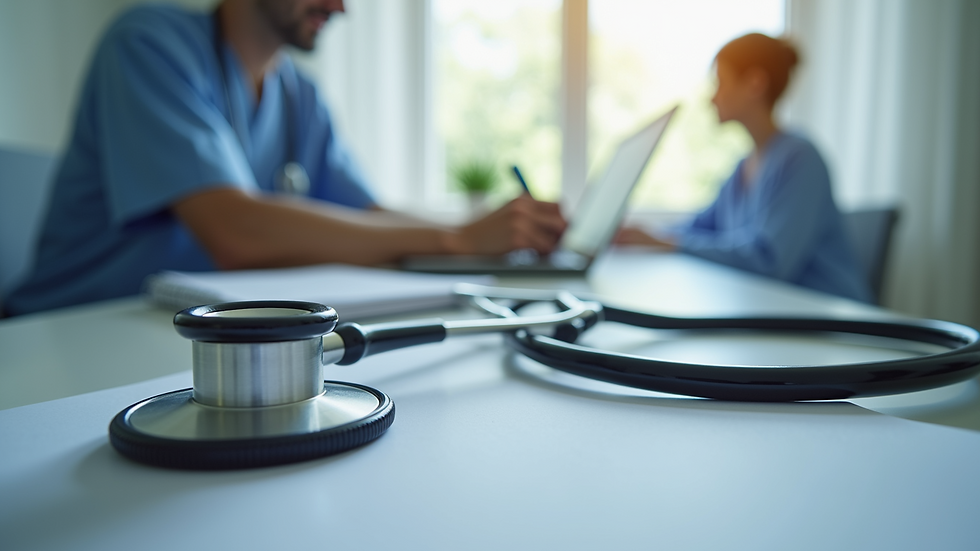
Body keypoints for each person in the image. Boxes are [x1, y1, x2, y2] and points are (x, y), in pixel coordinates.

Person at [5, 0, 566, 315]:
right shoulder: (148, 43)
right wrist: (456, 240)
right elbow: (236, 232)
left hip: (184, 333)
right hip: (63, 337)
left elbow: (372, 218)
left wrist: (498, 232)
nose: (342, 7)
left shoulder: (301, 96)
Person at [618, 33, 872, 303]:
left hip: (836, 321)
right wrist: (646, 235)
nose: (712, 98)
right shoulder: (741, 169)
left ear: (754, 83)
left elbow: (768, 260)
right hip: (776, 309)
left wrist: (666, 243)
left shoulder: (800, 158)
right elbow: (700, 228)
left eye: (720, 83)